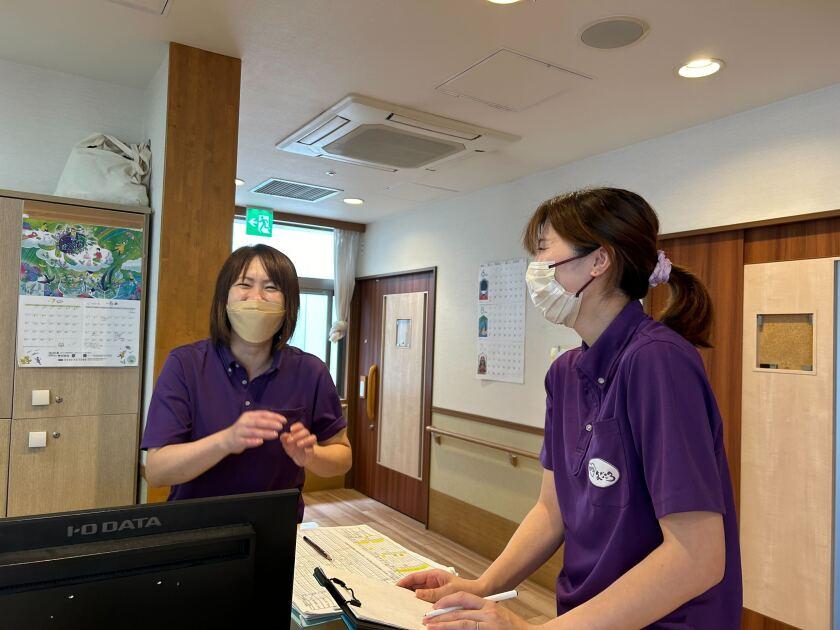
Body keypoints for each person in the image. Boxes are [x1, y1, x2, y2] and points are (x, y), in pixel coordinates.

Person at [399, 188, 742, 628]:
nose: (535, 271)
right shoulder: (565, 372)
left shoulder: (658, 361)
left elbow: (697, 557)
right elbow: (551, 509)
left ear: (599, 261)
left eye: (544, 253)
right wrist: (480, 586)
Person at [142, 244, 351, 522]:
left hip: (276, 532)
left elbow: (342, 457)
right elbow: (157, 471)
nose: (257, 297)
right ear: (224, 300)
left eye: (271, 287)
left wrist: (311, 455)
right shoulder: (185, 365)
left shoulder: (311, 371)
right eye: (244, 284)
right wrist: (226, 440)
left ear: (289, 305)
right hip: (193, 529)